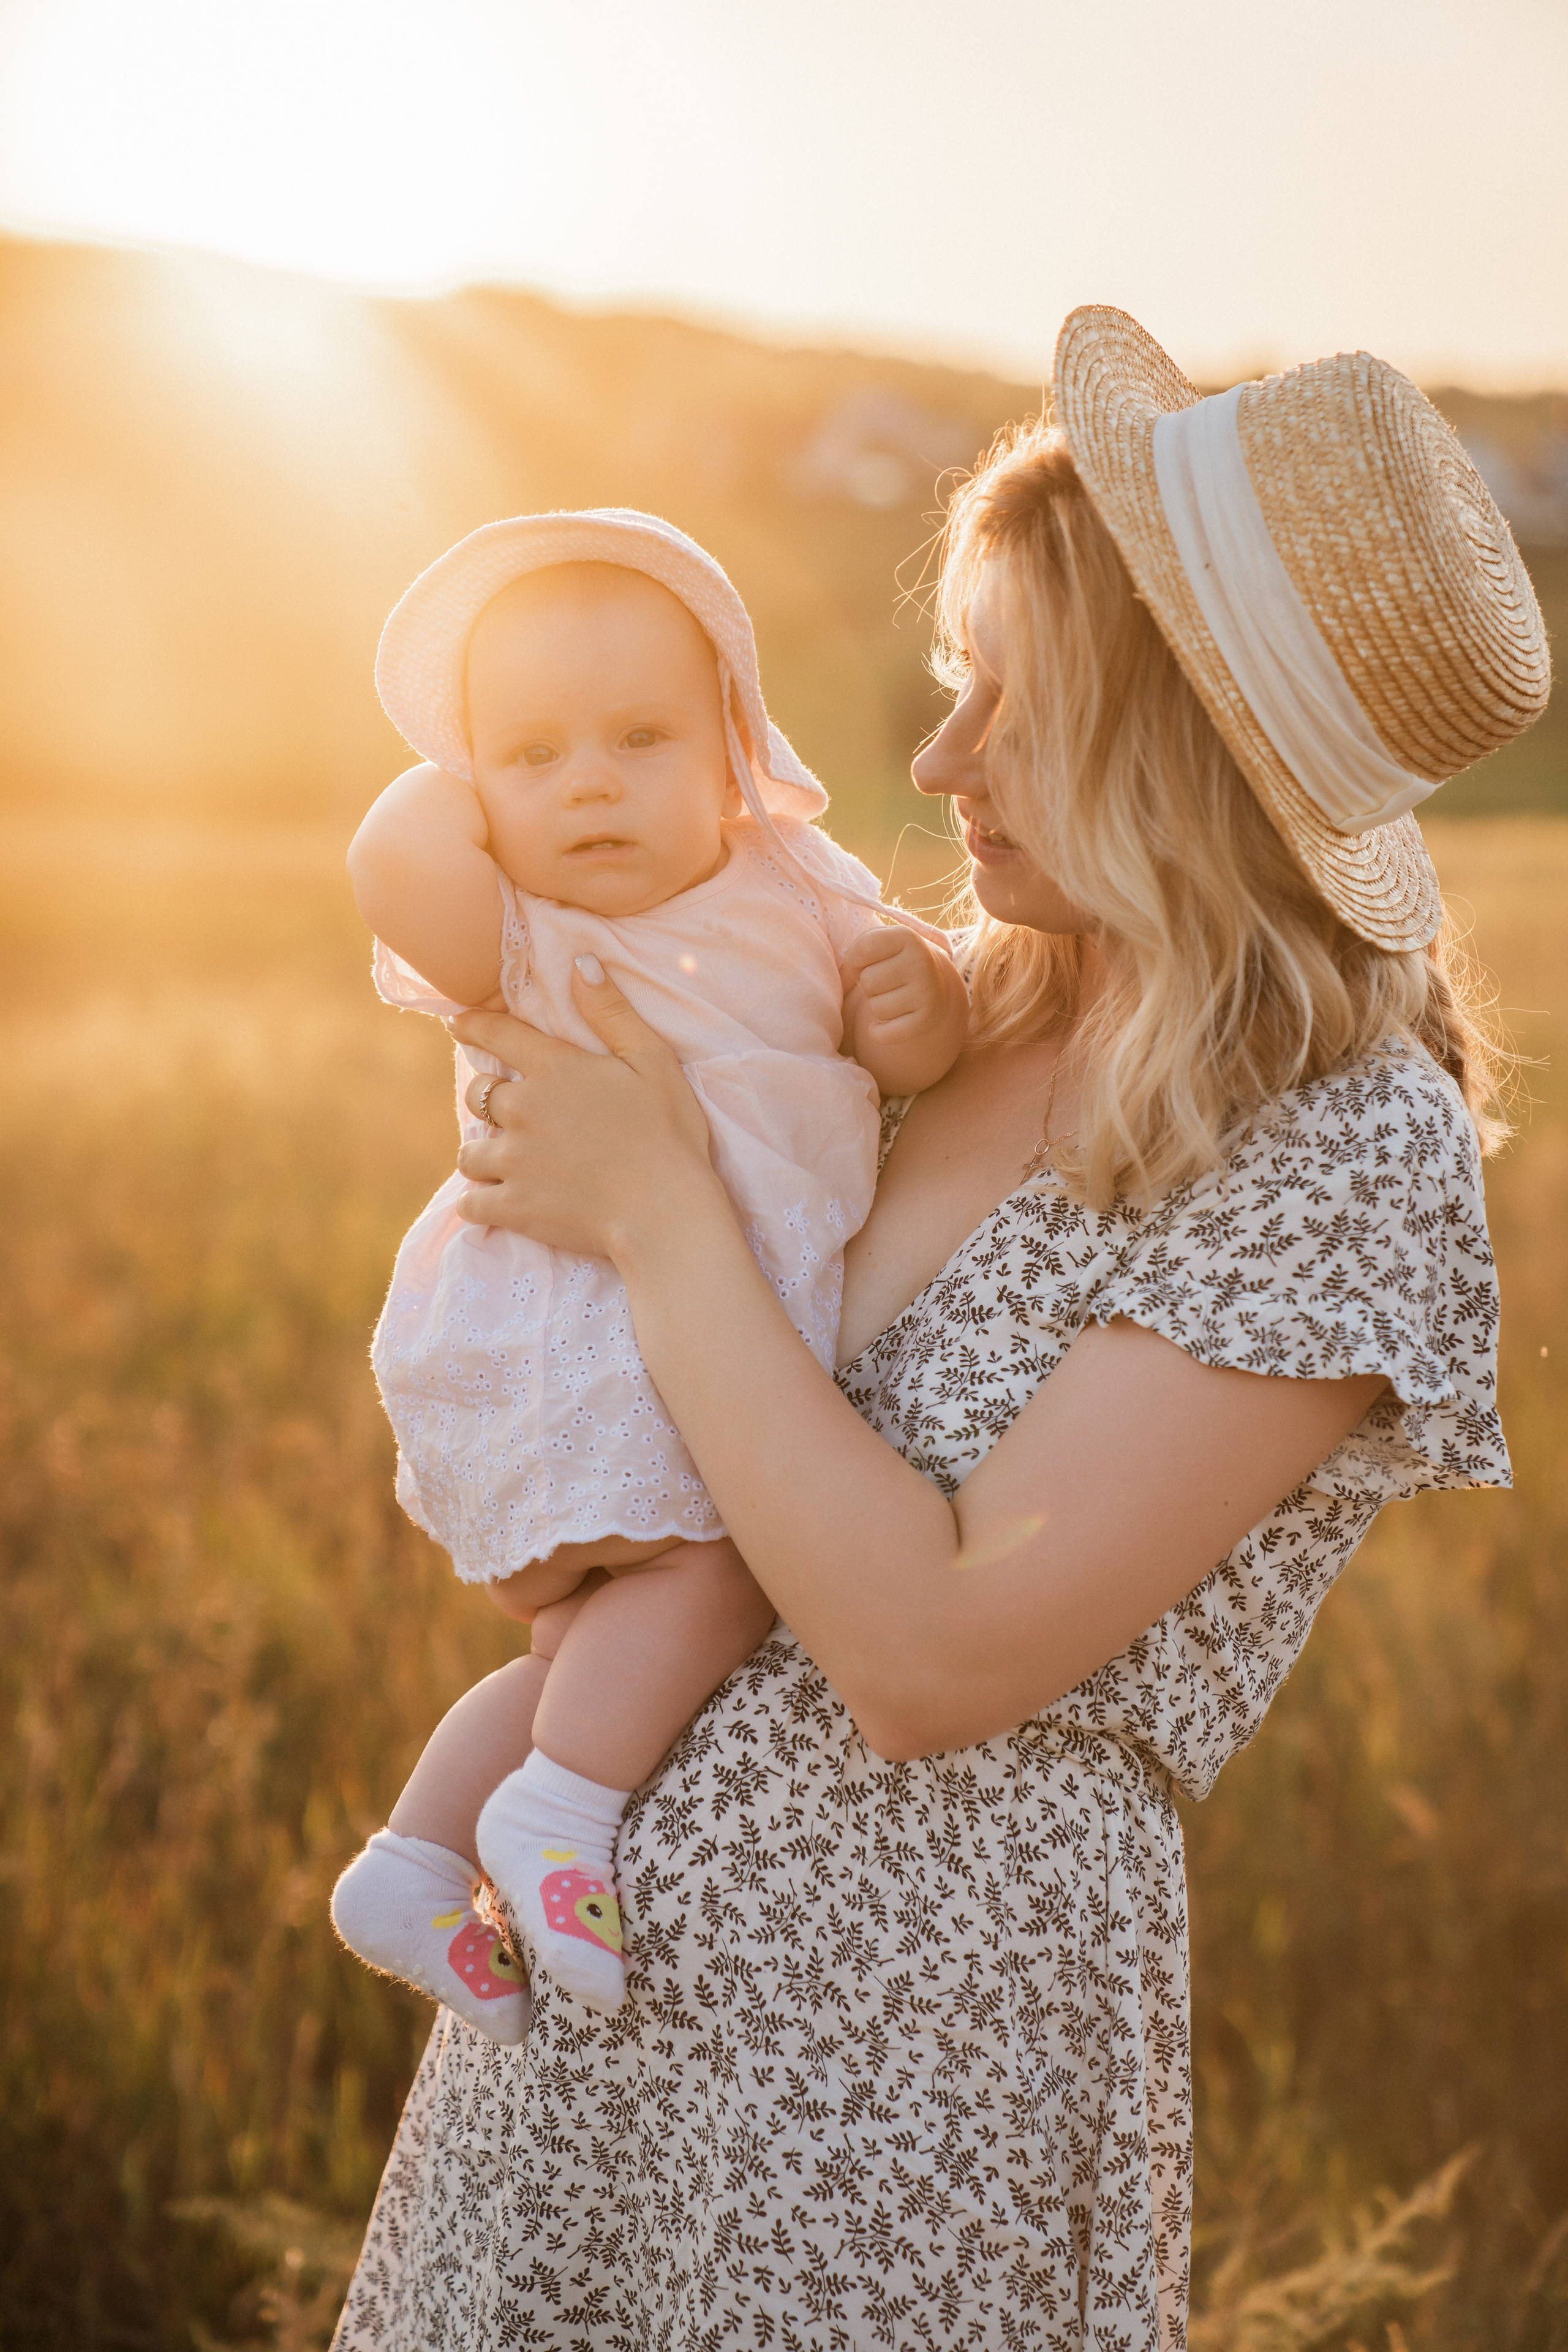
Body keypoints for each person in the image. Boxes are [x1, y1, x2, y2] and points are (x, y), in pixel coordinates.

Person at [331, 307, 1548, 2350]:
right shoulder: (949, 1009)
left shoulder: (1348, 1148)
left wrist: (654, 1208)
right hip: (585, 2036)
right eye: (951, 679)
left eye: (1013, 699)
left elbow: (924, 1655)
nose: (931, 761)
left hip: (901, 2093)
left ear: (1183, 747)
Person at [329, 511, 968, 2024]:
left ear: (735, 745)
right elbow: (387, 866)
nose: (590, 781)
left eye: (637, 737)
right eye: (532, 755)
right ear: (479, 793)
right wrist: (443, 774)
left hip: (688, 1331)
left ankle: (414, 1858)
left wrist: (916, 999)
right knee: (734, 1559)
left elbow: (904, 1041)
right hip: (576, 1336)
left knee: (596, 1636)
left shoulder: (799, 885)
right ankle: (562, 1809)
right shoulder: (528, 935)